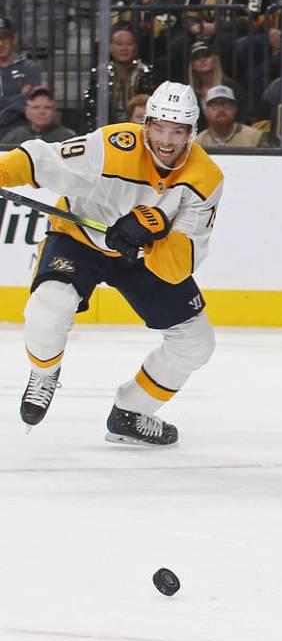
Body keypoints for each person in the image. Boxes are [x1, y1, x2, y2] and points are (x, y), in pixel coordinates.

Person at [0, 81, 222, 446]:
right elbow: (44, 159)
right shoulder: (113, 144)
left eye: (177, 131)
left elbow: (180, 264)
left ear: (192, 133)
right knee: (49, 305)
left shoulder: (205, 178)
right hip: (79, 239)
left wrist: (152, 231)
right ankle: (44, 372)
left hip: (142, 257)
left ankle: (131, 412)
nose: (166, 141)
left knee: (196, 341)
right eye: (160, 128)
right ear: (146, 124)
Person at [85, 26, 158, 126]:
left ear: (135, 47)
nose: (124, 48)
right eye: (119, 44)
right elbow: (92, 107)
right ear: (110, 47)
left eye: (129, 44)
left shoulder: (145, 72)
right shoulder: (100, 73)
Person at [0, 16, 44, 136]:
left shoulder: (30, 68)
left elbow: (31, 102)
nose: (0, 43)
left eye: (5, 38)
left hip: (20, 132)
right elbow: (22, 101)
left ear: (14, 39)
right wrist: (19, 96)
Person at [195, 84, 264, 147]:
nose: (221, 109)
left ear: (235, 109)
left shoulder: (255, 137)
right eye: (215, 105)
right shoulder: (198, 142)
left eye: (227, 105)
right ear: (206, 112)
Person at [0, 87, 75, 144]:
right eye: (36, 107)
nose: (41, 112)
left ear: (54, 112)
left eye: (47, 108)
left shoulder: (68, 138)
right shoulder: (14, 137)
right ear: (27, 112)